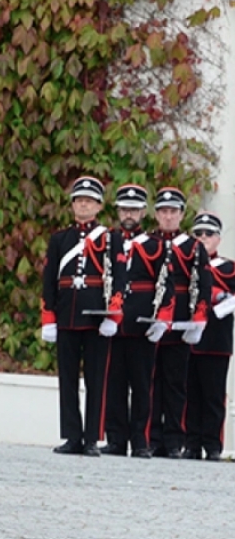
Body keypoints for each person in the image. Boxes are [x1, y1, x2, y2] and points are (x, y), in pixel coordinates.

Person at [41, 176, 119, 456]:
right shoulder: (60, 239)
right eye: (79, 200)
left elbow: (119, 279)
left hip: (97, 317)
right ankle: (72, 436)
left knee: (97, 380)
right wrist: (49, 318)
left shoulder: (111, 239)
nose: (83, 205)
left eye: (89, 201)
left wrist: (114, 316)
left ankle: (91, 439)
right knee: (68, 379)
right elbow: (49, 280)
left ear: (99, 206)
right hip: (66, 315)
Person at [147, 187, 211, 458]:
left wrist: (199, 319)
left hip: (180, 320)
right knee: (150, 382)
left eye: (173, 212)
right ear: (156, 214)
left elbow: (202, 283)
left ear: (182, 215)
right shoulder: (148, 242)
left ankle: (174, 439)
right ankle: (152, 437)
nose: (168, 216)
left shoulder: (193, 247)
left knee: (175, 383)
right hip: (151, 320)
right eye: (163, 211)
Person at [100, 184, 148, 456]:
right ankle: (116, 439)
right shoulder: (107, 242)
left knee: (142, 384)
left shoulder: (153, 244)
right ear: (117, 211)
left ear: (143, 212)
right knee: (114, 383)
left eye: (134, 209)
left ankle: (140, 441)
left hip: (140, 321)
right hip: (113, 322)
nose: (129, 213)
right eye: (124, 208)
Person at [184, 212, 233, 460]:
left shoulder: (228, 267)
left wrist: (219, 299)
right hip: (188, 338)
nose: (203, 238)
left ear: (218, 238)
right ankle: (191, 443)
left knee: (213, 395)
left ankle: (212, 445)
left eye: (209, 234)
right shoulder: (185, 264)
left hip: (216, 340)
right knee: (189, 393)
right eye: (198, 234)